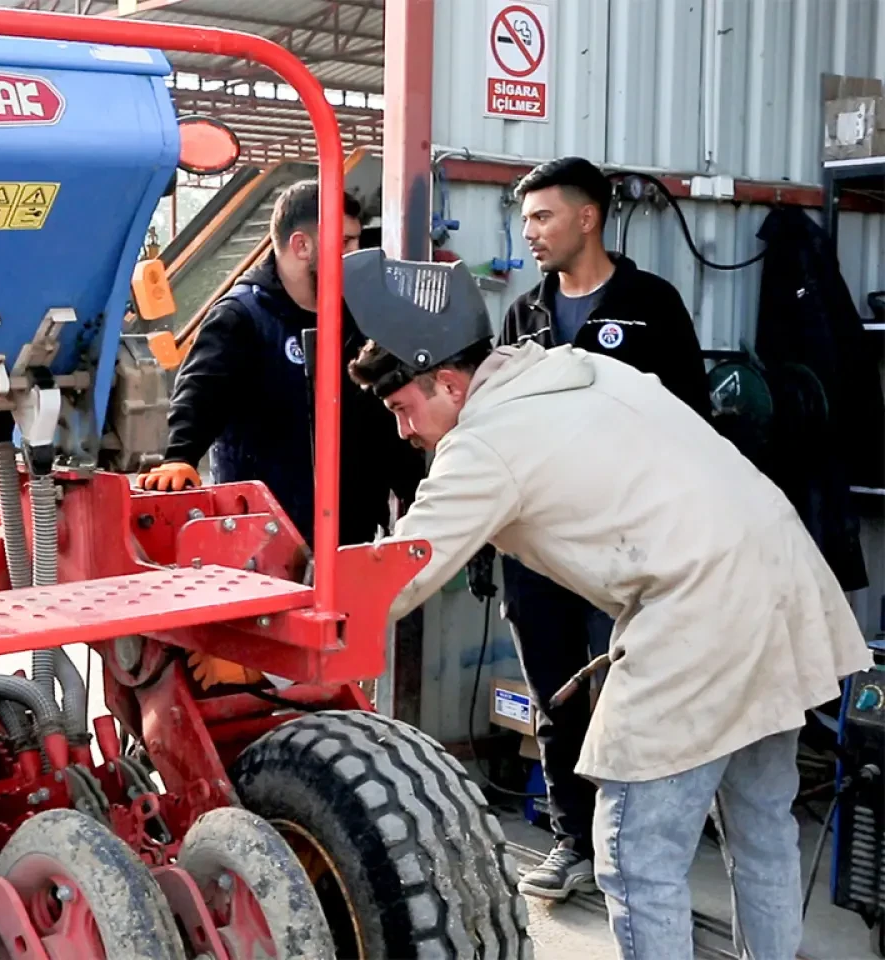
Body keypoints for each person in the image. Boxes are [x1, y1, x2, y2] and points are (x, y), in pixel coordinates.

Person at [342, 247, 870, 960]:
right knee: (763, 830)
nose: (404, 431)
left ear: (448, 383)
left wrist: (287, 610)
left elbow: (397, 577)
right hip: (781, 573)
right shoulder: (569, 369)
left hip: (700, 608)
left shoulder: (484, 444)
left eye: (405, 409)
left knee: (635, 855)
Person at [493, 156, 713, 901]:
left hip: (628, 543)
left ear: (588, 217)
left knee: (634, 693)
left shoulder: (653, 305)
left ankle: (641, 846)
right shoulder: (524, 313)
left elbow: (693, 426)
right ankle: (571, 841)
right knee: (555, 696)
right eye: (525, 220)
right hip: (540, 542)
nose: (530, 232)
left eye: (543, 217)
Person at [136, 180, 425, 697]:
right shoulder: (243, 319)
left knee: (334, 686)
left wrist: (418, 495)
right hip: (267, 552)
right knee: (263, 692)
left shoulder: (359, 323)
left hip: (348, 544)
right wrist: (179, 457)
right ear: (300, 246)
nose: (355, 256)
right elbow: (201, 392)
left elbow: (385, 422)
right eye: (346, 243)